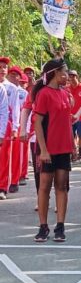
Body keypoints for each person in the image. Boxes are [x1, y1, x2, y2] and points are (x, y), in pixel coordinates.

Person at [32, 59, 73, 242]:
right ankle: (43, 226)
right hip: (48, 149)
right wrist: (43, 150)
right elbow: (38, 123)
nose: (67, 75)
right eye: (65, 72)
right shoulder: (44, 94)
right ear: (55, 73)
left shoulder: (65, 93)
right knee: (44, 187)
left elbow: (66, 123)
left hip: (64, 148)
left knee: (62, 187)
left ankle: (60, 226)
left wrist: (71, 145)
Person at [0, 57, 21, 200]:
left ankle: (2, 187)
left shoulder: (11, 88)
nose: (2, 70)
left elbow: (15, 111)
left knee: (4, 158)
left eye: (4, 68)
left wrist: (15, 128)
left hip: (6, 125)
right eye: (0, 67)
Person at [67, 70, 81, 163]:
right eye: (70, 76)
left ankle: (80, 154)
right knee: (71, 136)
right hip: (70, 117)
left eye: (73, 76)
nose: (71, 78)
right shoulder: (67, 89)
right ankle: (73, 154)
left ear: (77, 76)